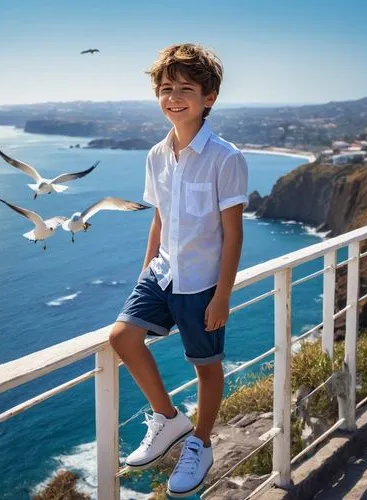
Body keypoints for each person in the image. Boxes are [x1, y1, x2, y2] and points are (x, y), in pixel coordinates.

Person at [109, 43, 248, 498]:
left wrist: (222, 296)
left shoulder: (226, 158)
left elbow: (232, 235)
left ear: (209, 98)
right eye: (165, 88)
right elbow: (159, 218)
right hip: (162, 273)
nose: (173, 97)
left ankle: (200, 444)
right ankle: (168, 419)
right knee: (122, 338)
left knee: (206, 367)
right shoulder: (155, 155)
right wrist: (143, 272)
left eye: (185, 88)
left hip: (202, 283)